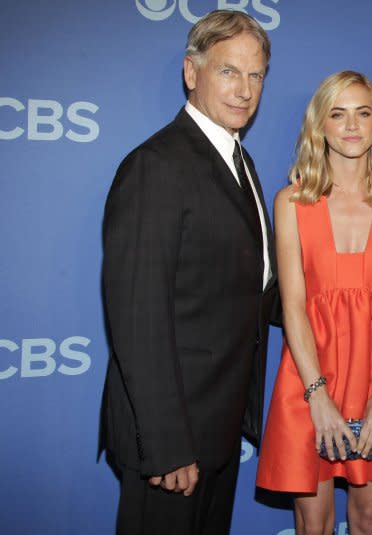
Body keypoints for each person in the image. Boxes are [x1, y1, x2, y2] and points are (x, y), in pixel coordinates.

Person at [100, 10, 278, 535]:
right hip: (172, 441)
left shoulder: (239, 161)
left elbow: (248, 292)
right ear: (191, 72)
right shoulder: (157, 165)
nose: (245, 90)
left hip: (216, 428)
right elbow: (138, 318)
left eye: (256, 75)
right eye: (229, 72)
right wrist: (167, 445)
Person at [255, 71, 372, 535]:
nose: (352, 125)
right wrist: (317, 397)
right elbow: (293, 305)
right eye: (338, 113)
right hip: (307, 376)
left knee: (369, 516)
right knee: (312, 521)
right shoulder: (291, 202)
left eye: (363, 112)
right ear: (320, 126)